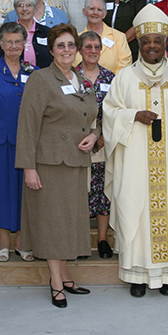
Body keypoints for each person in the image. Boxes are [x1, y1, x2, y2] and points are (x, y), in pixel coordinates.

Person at [103, 5, 168, 298]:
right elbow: (109, 113)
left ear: (165, 43)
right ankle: (137, 274)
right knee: (136, 209)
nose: (151, 47)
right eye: (146, 42)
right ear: (139, 44)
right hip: (134, 163)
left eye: (157, 41)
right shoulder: (124, 78)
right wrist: (133, 115)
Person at [15, 24, 98, 308]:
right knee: (52, 223)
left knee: (69, 222)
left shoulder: (80, 79)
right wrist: (28, 167)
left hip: (75, 162)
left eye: (70, 45)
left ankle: (64, 274)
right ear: (51, 50)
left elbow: (90, 117)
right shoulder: (41, 79)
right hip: (48, 162)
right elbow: (27, 124)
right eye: (60, 45)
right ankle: (55, 281)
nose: (66, 50)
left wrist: (94, 135)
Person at [0, 23, 36, 262]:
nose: (13, 46)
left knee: (24, 193)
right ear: (0, 44)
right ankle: (4, 242)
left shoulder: (34, 72)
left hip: (26, 143)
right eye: (8, 42)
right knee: (0, 191)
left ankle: (22, 243)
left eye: (18, 42)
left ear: (24, 45)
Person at [75, 30, 116, 258]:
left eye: (96, 47)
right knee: (79, 192)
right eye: (88, 47)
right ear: (80, 50)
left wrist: (102, 135)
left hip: (103, 144)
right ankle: (80, 240)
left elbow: (115, 110)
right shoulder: (71, 76)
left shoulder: (110, 78)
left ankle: (102, 239)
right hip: (76, 143)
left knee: (102, 191)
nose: (92, 51)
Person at [73, 0, 131, 73]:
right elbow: (71, 66)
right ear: (84, 11)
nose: (95, 12)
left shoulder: (119, 37)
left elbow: (125, 67)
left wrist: (110, 83)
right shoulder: (76, 39)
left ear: (104, 14)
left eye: (99, 10)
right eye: (92, 9)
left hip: (112, 83)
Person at [0, 0, 52, 69]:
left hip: (42, 77)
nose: (24, 9)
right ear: (15, 9)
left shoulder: (46, 32)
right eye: (20, 6)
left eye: (29, 5)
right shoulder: (6, 31)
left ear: (35, 9)